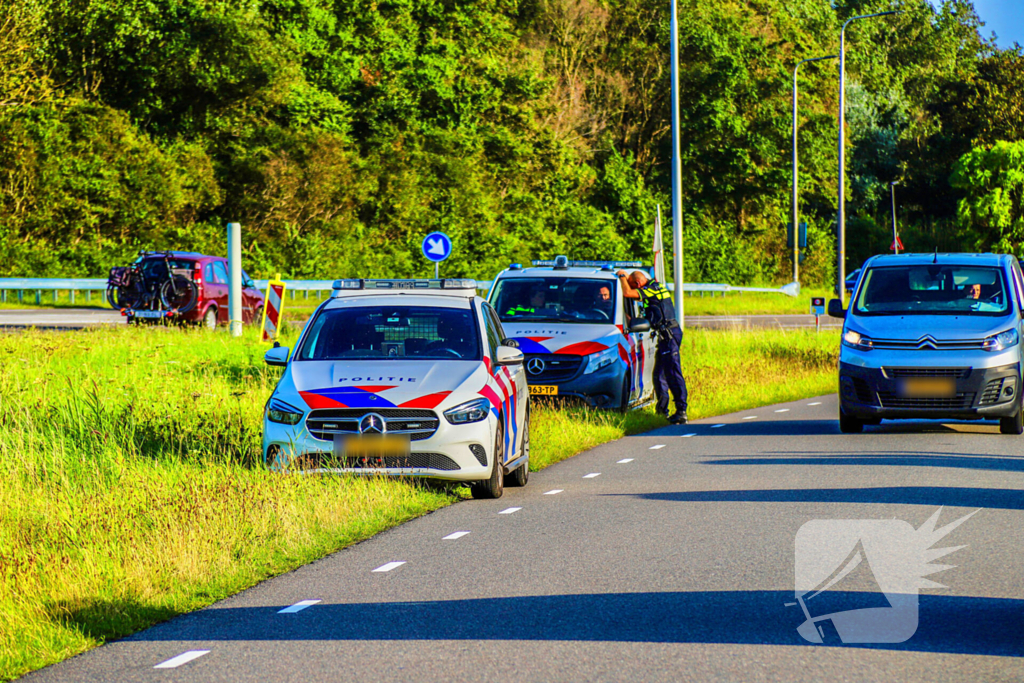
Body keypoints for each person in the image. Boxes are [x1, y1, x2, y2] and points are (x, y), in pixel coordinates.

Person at [616, 268, 688, 424]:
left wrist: (621, 276)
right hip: (664, 335)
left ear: (638, 283)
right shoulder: (653, 287)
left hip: (669, 335)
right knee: (659, 375)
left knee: (673, 373)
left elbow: (628, 293)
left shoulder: (652, 289)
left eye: (633, 286)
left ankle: (681, 411)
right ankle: (662, 411)